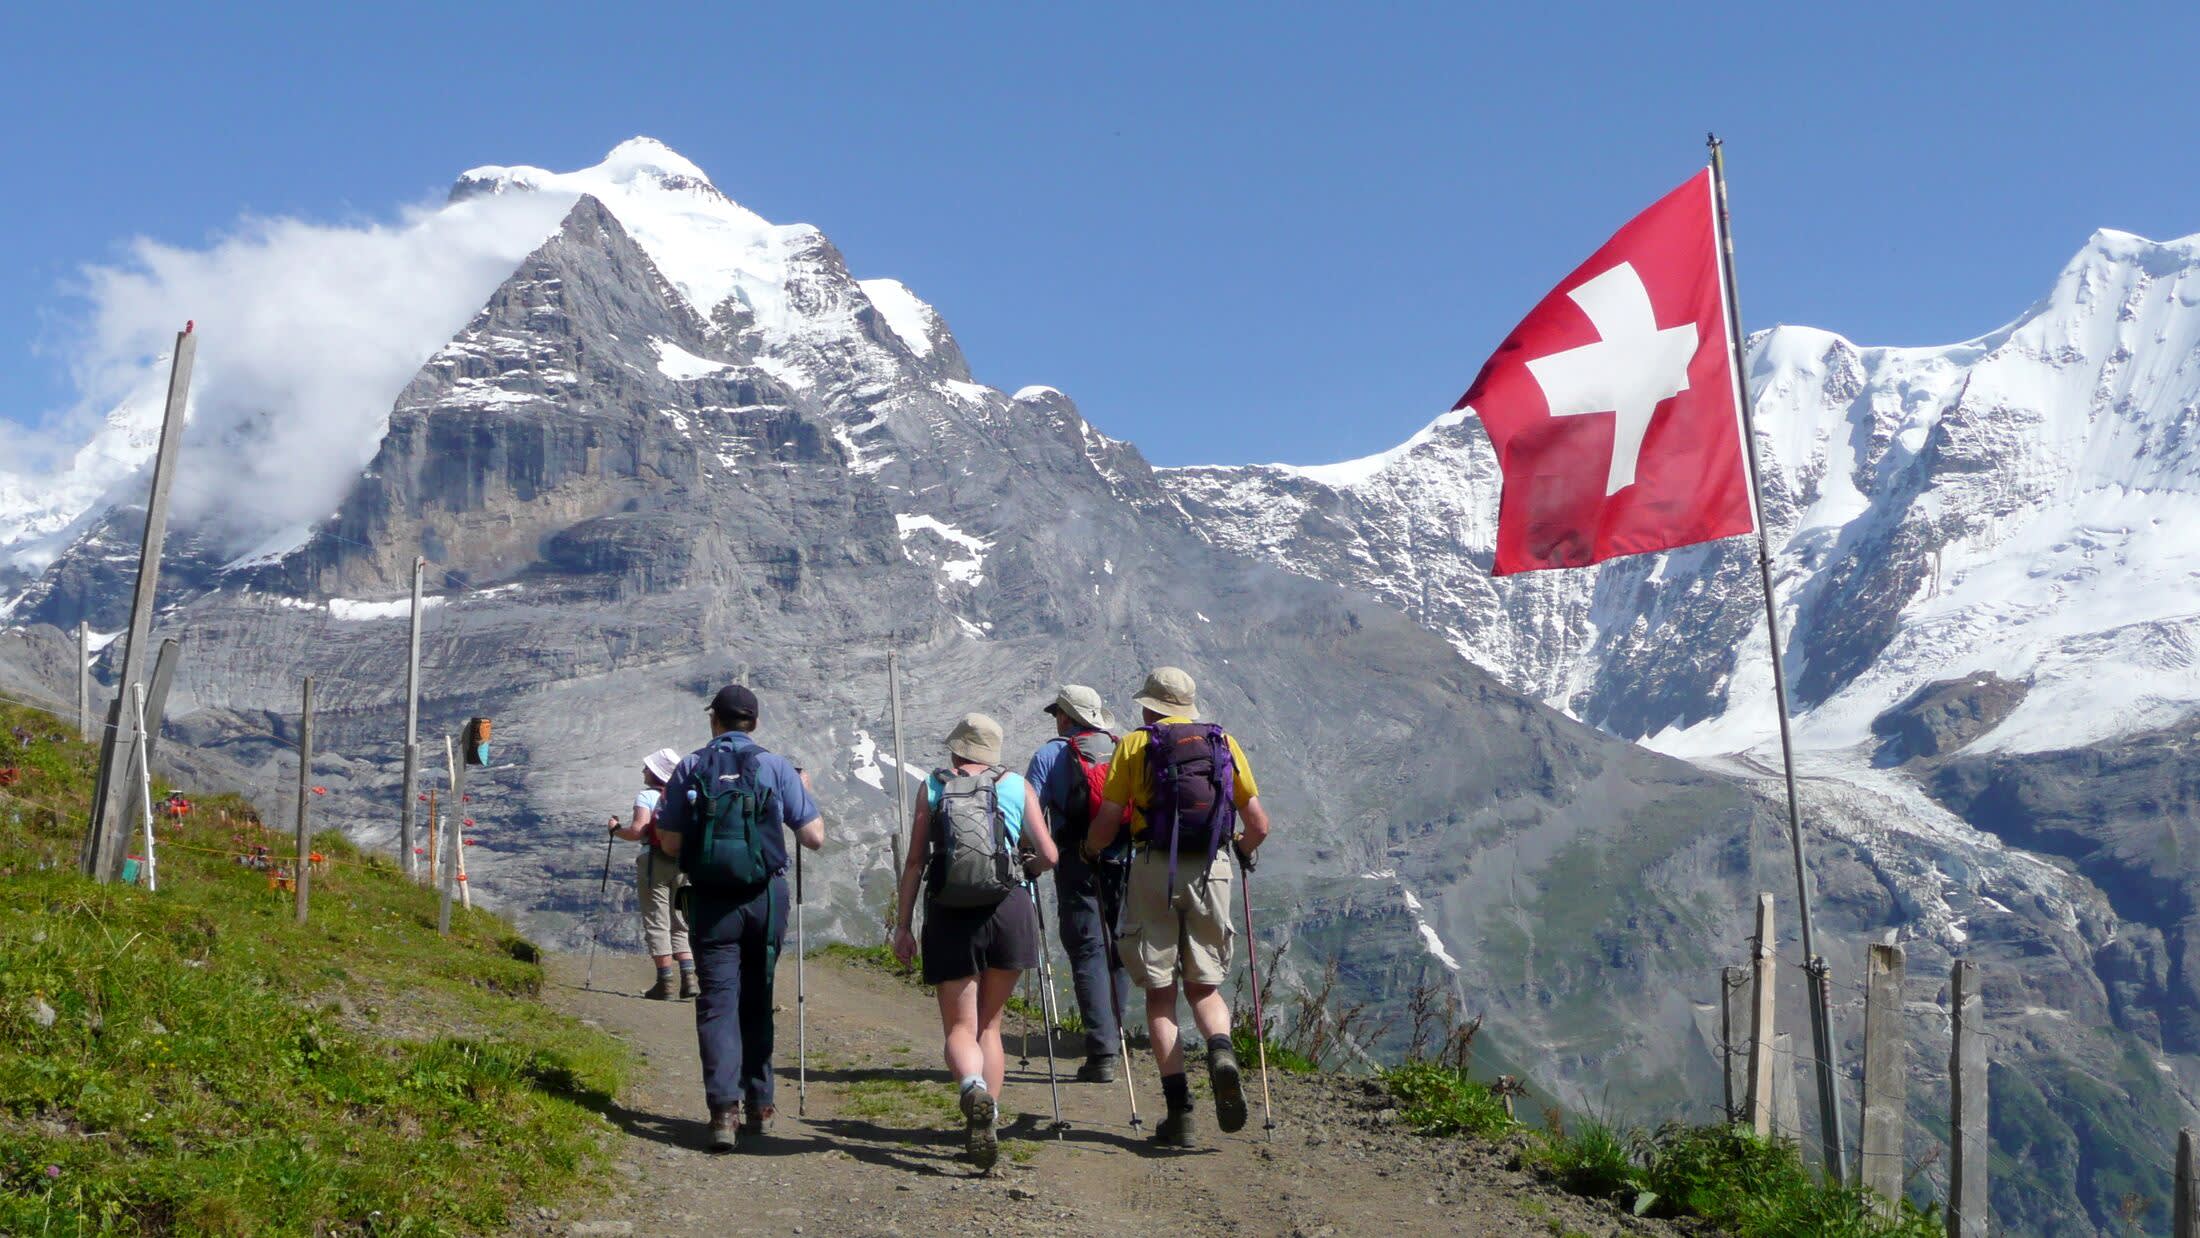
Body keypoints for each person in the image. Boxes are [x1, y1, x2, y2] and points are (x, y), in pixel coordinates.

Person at [1085, 666, 1270, 1149]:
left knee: (1160, 995)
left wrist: (1089, 851)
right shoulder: (1222, 743)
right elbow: (1259, 823)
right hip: (1213, 867)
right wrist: (1243, 851)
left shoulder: (1134, 744)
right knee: (1205, 988)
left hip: (1152, 869)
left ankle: (1180, 1114)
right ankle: (1221, 1052)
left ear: (1150, 706)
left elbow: (1109, 820)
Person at [654, 684, 824, 1153]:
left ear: (715, 721)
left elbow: (668, 842)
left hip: (711, 901)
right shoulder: (774, 766)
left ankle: (722, 1112)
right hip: (764, 899)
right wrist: (802, 793)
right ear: (754, 722)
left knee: (717, 1002)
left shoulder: (691, 766)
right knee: (758, 996)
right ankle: (761, 1105)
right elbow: (814, 837)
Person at [890, 712, 1059, 1171]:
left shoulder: (933, 786)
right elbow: (1049, 855)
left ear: (957, 749)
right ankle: (990, 1116)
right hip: (1009, 908)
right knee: (990, 1026)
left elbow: (914, 862)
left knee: (960, 1029)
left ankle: (971, 1089)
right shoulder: (1016, 785)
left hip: (950, 913)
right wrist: (1026, 865)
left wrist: (903, 926)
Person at [1023, 684, 1130, 1083]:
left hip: (1076, 862)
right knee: (1119, 948)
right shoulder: (1122, 748)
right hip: (1124, 859)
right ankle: (1113, 1033)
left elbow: (1027, 810)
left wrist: (1029, 857)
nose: (1056, 720)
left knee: (1088, 949)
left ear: (1066, 717)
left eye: (1057, 714)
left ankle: (1102, 1053)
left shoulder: (1050, 754)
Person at [607, 747, 695, 1000]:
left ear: (656, 773)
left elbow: (637, 831)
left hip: (654, 863)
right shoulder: (685, 797)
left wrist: (615, 829)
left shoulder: (646, 796)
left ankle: (664, 983)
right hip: (683, 862)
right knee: (681, 920)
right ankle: (689, 979)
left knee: (657, 920)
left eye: (647, 767)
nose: (643, 770)